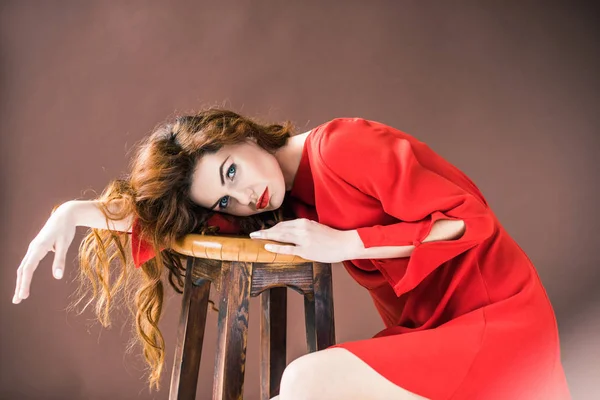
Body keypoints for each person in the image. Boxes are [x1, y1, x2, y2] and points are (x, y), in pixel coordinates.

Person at [12, 108, 571, 399]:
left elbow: (468, 220)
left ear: (239, 132)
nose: (243, 196)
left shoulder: (345, 145)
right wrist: (77, 211)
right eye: (226, 196)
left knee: (305, 383)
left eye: (231, 170)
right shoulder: (282, 199)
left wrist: (345, 244)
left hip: (498, 319)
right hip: (434, 333)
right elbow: (174, 220)